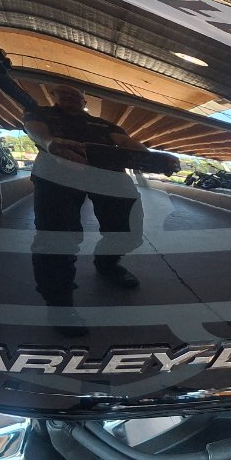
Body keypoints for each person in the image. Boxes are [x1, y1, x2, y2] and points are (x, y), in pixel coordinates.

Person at [24, 85, 149, 309]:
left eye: (75, 94)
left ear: (84, 100)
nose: (68, 96)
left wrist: (151, 158)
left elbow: (126, 142)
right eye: (62, 92)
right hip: (56, 175)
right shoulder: (41, 113)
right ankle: (59, 303)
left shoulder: (104, 124)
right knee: (56, 238)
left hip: (107, 175)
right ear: (53, 96)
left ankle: (107, 264)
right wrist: (49, 143)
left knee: (127, 229)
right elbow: (34, 129)